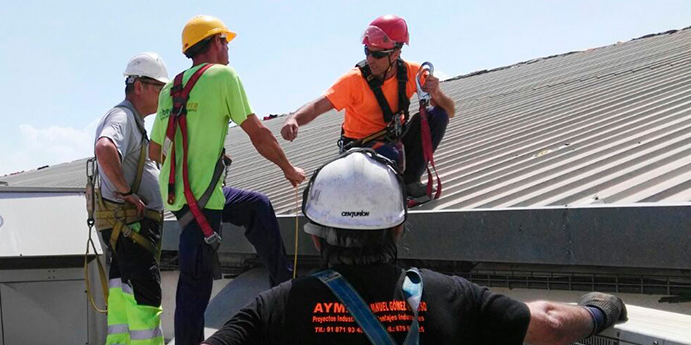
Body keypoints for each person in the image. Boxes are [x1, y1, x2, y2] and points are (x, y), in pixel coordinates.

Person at [203, 149, 628, 344]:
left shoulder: (275, 308)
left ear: (314, 235)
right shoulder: (450, 295)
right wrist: (600, 310)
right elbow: (548, 325)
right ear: (398, 229)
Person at [148, 15, 305, 345]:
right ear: (216, 42)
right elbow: (258, 133)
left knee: (256, 207)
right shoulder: (224, 76)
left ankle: (282, 287)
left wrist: (192, 166)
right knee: (195, 287)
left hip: (185, 195)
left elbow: (154, 151)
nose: (228, 47)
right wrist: (289, 170)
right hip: (202, 202)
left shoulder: (170, 89)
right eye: (226, 41)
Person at [281, 15, 456, 198]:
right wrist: (294, 119)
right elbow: (317, 106)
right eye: (368, 51)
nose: (371, 59)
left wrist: (436, 93)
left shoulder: (413, 72)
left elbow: (450, 111)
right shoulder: (354, 80)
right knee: (390, 155)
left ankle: (410, 181)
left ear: (396, 54)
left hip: (394, 139)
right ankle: (393, 188)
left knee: (437, 115)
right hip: (360, 148)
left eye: (378, 54)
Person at [91, 52, 170, 344]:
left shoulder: (132, 121)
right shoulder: (123, 116)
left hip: (125, 233)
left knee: (123, 311)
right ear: (138, 86)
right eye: (159, 88)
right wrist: (126, 192)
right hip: (133, 230)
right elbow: (104, 147)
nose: (163, 95)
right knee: (145, 301)